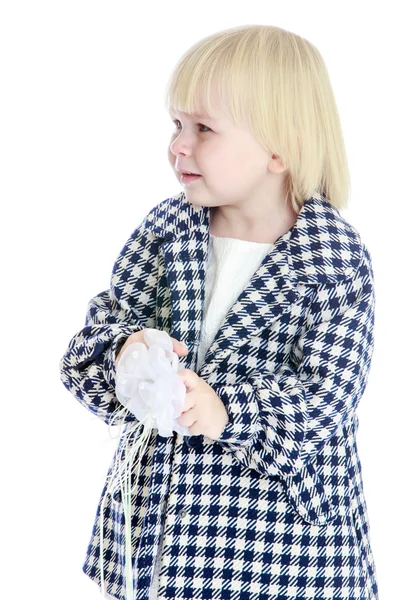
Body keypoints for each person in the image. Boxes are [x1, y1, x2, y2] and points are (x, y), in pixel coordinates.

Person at [59, 24, 379, 600]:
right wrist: (124, 349)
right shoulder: (168, 228)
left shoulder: (333, 258)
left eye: (203, 128)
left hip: (278, 545)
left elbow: (329, 400)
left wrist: (229, 407)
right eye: (177, 125)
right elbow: (95, 337)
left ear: (280, 147)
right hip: (152, 530)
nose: (179, 144)